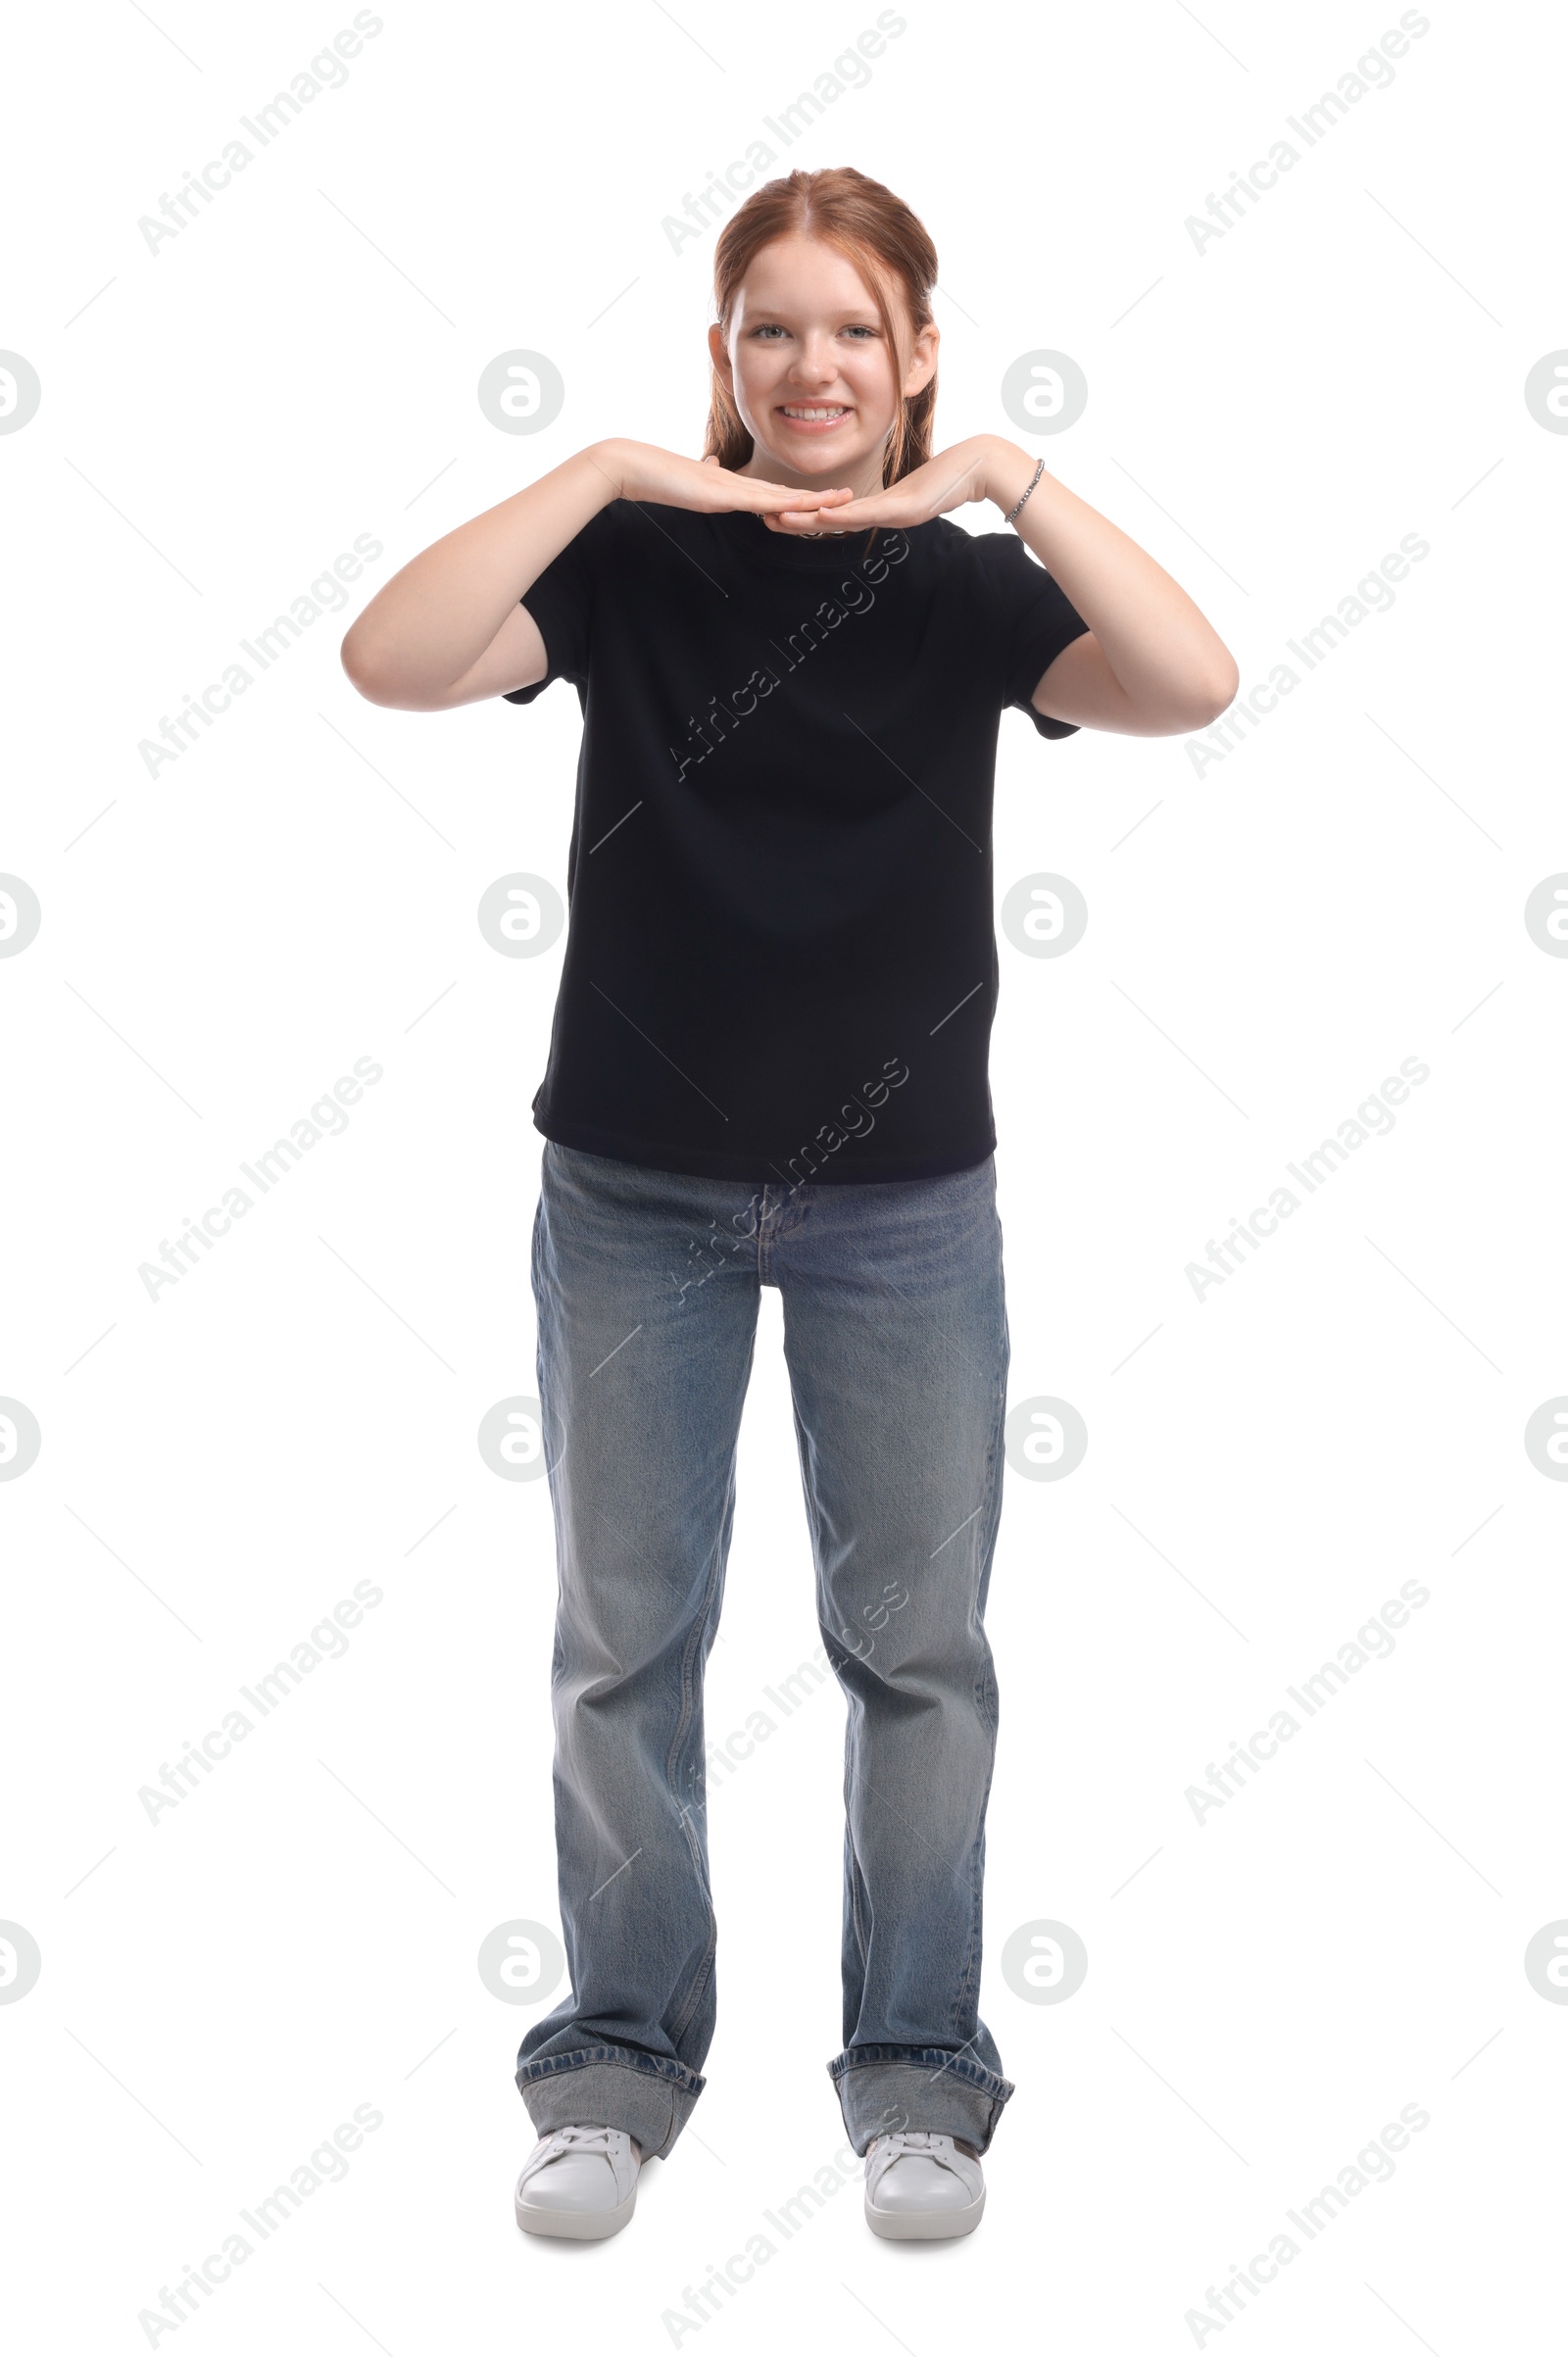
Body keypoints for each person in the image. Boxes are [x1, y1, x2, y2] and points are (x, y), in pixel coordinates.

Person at [341, 165, 1237, 2245]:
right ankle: (614, 2071)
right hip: (632, 1196)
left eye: (854, 329)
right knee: (621, 1645)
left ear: (914, 355)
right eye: (770, 328)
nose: (810, 363)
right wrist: (597, 467)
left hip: (901, 1212)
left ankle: (917, 2079)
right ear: (722, 362)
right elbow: (392, 661)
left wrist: (1003, 471)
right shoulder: (638, 565)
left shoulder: (966, 592)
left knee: (915, 1649)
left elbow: (1187, 678)